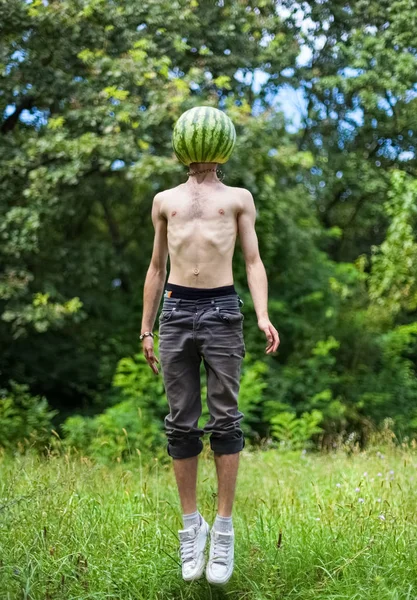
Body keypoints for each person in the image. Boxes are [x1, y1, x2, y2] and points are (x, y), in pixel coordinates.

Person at [140, 162, 280, 585]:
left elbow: (253, 261)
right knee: (180, 424)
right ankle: (191, 526)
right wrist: (147, 326)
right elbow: (156, 266)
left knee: (225, 420)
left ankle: (222, 529)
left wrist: (262, 314)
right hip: (176, 311)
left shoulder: (238, 198)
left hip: (222, 310)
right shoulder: (165, 200)